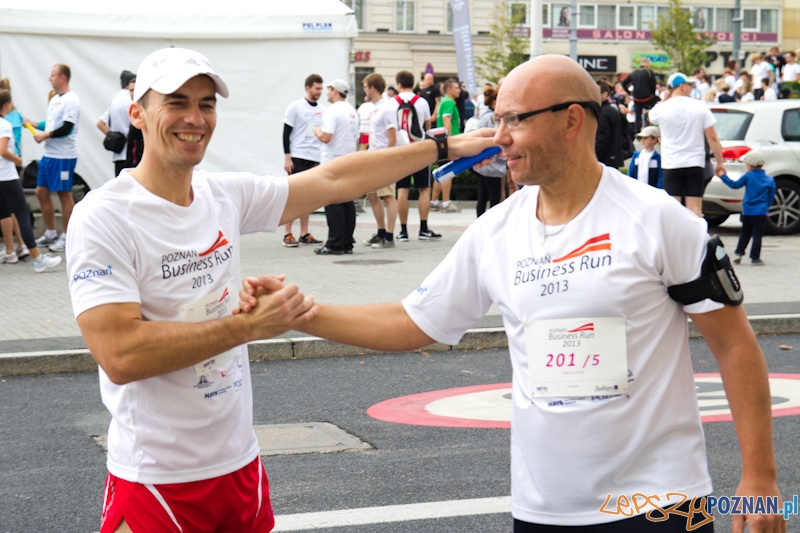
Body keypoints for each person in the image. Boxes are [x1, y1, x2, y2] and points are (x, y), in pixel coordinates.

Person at [241, 54, 784, 532]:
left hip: (664, 503)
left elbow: (735, 346)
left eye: (514, 120)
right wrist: (302, 314)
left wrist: (760, 476)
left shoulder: (660, 221)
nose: (498, 136)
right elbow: (413, 322)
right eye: (497, 118)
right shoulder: (495, 231)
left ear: (573, 120)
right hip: (543, 507)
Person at [64, 46, 497, 533]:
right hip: (157, 481)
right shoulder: (103, 216)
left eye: (207, 104)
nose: (195, 118)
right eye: (177, 102)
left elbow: (334, 177)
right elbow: (119, 354)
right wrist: (246, 326)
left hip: (240, 469)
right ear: (138, 113)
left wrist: (445, 148)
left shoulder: (221, 194)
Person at [0, 89, 62, 271]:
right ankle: (37, 258)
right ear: (7, 105)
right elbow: (3, 151)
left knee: (3, 212)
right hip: (7, 176)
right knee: (21, 214)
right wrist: (17, 159)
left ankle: (11, 251)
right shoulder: (4, 125)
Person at [648, 72, 725, 217]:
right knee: (695, 209)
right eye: (689, 85)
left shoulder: (661, 108)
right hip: (695, 163)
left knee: (674, 209)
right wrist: (719, 162)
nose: (691, 87)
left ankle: (675, 239)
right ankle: (697, 239)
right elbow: (712, 137)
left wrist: (663, 100)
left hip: (671, 163)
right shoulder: (700, 106)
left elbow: (651, 117)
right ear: (682, 87)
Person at [24, 63, 80, 253]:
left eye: (53, 75)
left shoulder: (72, 100)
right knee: (41, 191)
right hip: (49, 155)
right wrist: (34, 124)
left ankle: (67, 236)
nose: (50, 78)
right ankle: (50, 234)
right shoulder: (55, 98)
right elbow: (50, 124)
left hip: (64, 156)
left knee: (64, 195)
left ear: (62, 78)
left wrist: (44, 136)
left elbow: (67, 128)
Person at [389, 70, 441, 241]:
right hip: (419, 149)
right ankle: (423, 228)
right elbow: (427, 126)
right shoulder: (422, 102)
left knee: (402, 190)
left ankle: (403, 231)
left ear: (398, 84)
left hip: (401, 151)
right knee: (424, 189)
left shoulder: (391, 103)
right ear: (414, 83)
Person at [313, 79, 359, 255]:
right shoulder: (351, 111)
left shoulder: (332, 110)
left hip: (332, 160)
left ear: (334, 91)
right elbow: (355, 138)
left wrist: (317, 131)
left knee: (332, 202)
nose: (326, 93)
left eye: (329, 90)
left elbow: (326, 137)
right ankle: (347, 242)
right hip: (348, 159)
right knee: (347, 201)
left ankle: (335, 243)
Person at [282, 74, 324, 248]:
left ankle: (304, 233)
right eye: (317, 88)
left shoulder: (323, 109)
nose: (320, 92)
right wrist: (287, 156)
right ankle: (287, 234)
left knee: (308, 198)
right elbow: (286, 132)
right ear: (308, 88)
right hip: (298, 155)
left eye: (321, 89)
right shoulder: (296, 107)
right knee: (294, 197)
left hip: (314, 157)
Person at [718, 150, 776, 266]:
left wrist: (722, 176)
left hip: (748, 211)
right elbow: (771, 196)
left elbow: (734, 185)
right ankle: (755, 258)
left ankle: (739, 253)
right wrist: (766, 207)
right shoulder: (769, 179)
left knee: (745, 233)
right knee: (757, 235)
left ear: (749, 165)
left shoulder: (748, 176)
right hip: (761, 212)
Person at [361, 73, 399, 249]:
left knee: (388, 196)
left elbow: (392, 138)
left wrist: (387, 159)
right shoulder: (375, 107)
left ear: (372, 88)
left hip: (384, 158)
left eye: (365, 86)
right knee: (371, 194)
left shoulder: (387, 108)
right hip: (374, 157)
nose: (364, 89)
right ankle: (381, 232)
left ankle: (389, 237)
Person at [473, 86, 506, 217]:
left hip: (484, 161)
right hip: (492, 163)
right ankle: (491, 223)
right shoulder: (492, 117)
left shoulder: (483, 115)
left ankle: (479, 223)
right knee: (494, 196)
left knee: (483, 195)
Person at [430, 78, 462, 213]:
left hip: (440, 141)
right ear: (449, 89)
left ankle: (434, 201)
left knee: (442, 171)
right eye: (456, 88)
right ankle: (446, 202)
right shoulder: (449, 102)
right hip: (448, 140)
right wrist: (448, 140)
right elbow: (446, 120)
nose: (459, 90)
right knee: (448, 172)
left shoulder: (444, 101)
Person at [97, 70, 136, 177]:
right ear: (129, 84)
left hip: (117, 155)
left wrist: (115, 138)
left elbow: (100, 123)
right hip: (131, 154)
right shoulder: (131, 100)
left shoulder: (114, 101)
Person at [620, 57, 658, 135]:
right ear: (648, 64)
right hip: (648, 97)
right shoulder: (649, 72)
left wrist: (630, 92)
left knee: (637, 116)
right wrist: (652, 94)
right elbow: (653, 85)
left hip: (637, 98)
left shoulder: (634, 72)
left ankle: (637, 133)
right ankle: (654, 128)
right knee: (657, 105)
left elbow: (623, 83)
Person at [594, 80, 623, 169]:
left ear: (605, 95)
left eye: (596, 92)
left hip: (605, 159)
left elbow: (602, 137)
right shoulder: (612, 110)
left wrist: (594, 156)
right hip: (614, 157)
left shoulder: (604, 112)